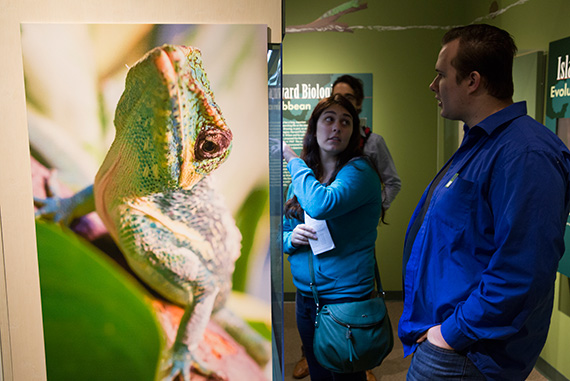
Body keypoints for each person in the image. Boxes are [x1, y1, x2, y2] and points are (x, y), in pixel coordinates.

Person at [398, 24, 570, 380]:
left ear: (472, 80)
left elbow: (522, 272)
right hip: (452, 342)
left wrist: (448, 336)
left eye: (441, 75)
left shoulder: (525, 154)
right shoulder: (482, 144)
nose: (433, 86)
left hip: (468, 355)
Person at [293, 74, 400, 381]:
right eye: (329, 118)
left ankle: (360, 361)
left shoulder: (362, 161)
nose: (336, 127)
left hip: (345, 296)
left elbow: (322, 203)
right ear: (316, 126)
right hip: (308, 296)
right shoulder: (306, 173)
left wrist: (373, 209)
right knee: (318, 368)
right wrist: (289, 238)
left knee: (346, 366)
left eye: (346, 116)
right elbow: (287, 227)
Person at [332, 75, 401, 211]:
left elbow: (392, 183)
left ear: (359, 103)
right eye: (337, 97)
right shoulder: (329, 140)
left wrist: (375, 210)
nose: (342, 102)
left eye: (348, 97)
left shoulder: (373, 142)